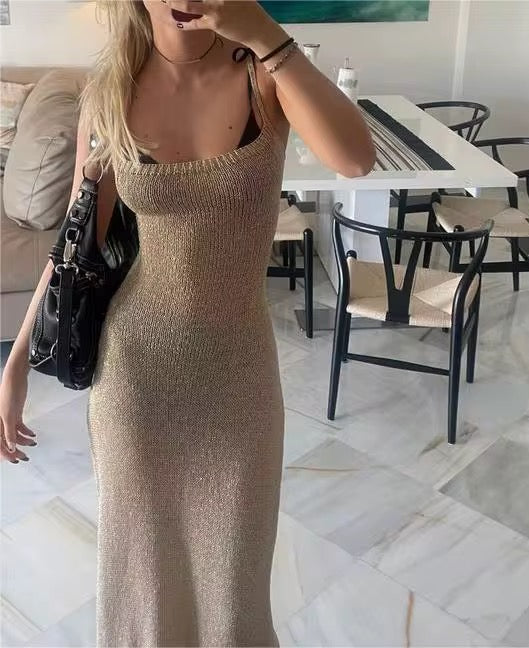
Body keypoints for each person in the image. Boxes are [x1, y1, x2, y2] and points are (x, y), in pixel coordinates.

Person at [0, 1, 375, 645]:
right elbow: (76, 246)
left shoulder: (264, 74)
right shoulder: (111, 92)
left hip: (239, 377)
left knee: (234, 590)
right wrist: (15, 366)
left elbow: (355, 160)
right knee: (142, 582)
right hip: (134, 375)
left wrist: (265, 33)